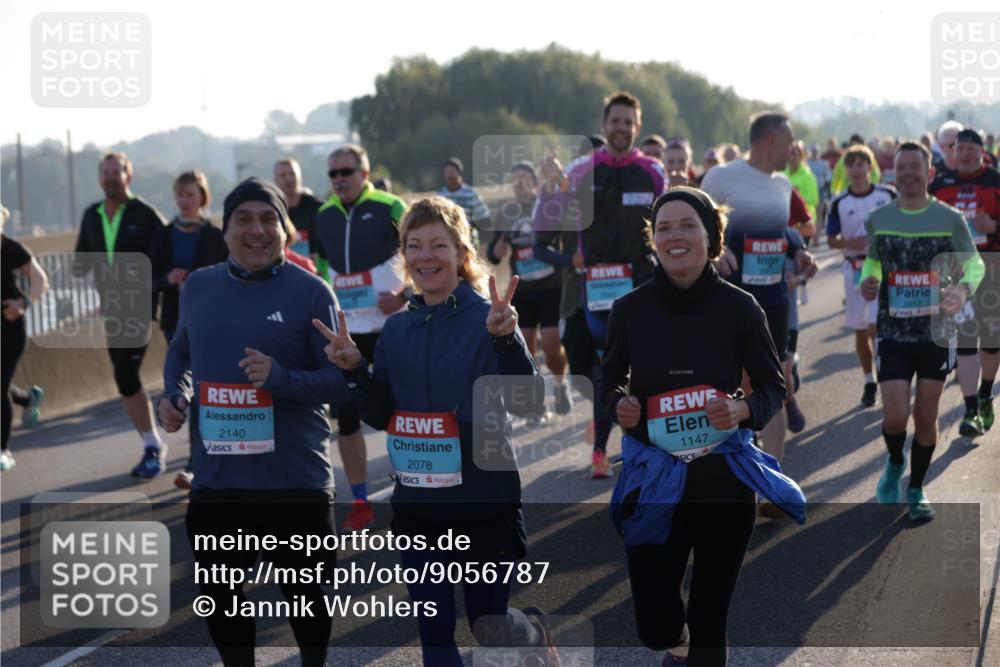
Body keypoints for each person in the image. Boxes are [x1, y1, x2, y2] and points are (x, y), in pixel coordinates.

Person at [315, 196, 556, 667]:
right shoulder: (397, 329)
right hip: (419, 509)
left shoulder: (489, 317)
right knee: (435, 633)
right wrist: (355, 371)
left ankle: (531, 632)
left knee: (489, 626)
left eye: (438, 245)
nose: (426, 256)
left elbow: (528, 400)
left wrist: (507, 342)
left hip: (485, 501)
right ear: (403, 258)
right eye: (414, 246)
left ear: (462, 252)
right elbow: (383, 414)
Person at [603, 187, 805, 666]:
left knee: (710, 620)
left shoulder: (740, 308)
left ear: (711, 237)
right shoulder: (629, 310)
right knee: (656, 627)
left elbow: (773, 387)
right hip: (653, 478)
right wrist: (618, 405)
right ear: (653, 240)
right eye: (664, 227)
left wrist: (741, 411)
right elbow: (608, 377)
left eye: (688, 225)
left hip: (723, 482)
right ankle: (674, 647)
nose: (675, 236)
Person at [158, 177, 349, 667]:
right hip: (219, 482)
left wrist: (280, 378)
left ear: (286, 229)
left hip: (295, 482)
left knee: (308, 608)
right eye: (244, 218)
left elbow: (339, 383)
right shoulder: (198, 287)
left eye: (269, 218)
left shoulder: (312, 292)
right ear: (225, 230)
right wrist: (174, 396)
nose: (256, 229)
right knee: (223, 605)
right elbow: (180, 353)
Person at [534, 91, 666, 478]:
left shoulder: (653, 172)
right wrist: (547, 193)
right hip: (584, 289)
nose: (621, 128)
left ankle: (610, 450)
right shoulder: (579, 171)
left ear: (637, 127)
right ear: (604, 125)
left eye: (629, 122)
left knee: (634, 369)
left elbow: (667, 224)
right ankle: (604, 417)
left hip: (638, 284)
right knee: (584, 369)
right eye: (615, 121)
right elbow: (544, 233)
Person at [860, 142, 984, 521]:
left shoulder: (950, 219)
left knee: (926, 417)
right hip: (894, 332)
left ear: (929, 173)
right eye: (903, 168)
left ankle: (916, 488)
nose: (909, 174)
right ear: (893, 174)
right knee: (896, 417)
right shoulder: (879, 218)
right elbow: (872, 263)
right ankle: (895, 461)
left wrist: (963, 288)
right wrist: (868, 280)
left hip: (936, 333)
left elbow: (975, 266)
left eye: (917, 167)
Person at [701, 112, 817, 470]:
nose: (793, 148)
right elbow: (694, 224)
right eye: (790, 140)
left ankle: (773, 481)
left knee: (773, 384)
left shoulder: (783, 185)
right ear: (770, 140)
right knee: (734, 384)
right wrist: (714, 252)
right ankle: (730, 468)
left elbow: (780, 232)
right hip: (731, 300)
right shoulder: (721, 177)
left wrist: (798, 251)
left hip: (775, 298)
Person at [314, 143, 408, 532]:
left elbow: (421, 256)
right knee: (347, 421)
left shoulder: (391, 207)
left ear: (364, 174)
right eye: (333, 174)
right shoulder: (323, 216)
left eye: (346, 172)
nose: (339, 180)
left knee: (401, 415)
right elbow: (320, 273)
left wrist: (403, 296)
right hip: (347, 334)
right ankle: (359, 500)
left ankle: (412, 484)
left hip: (390, 328)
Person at [73, 152, 169, 478]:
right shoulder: (91, 215)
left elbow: (165, 256)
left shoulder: (145, 215)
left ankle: (153, 446)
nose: (112, 178)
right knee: (123, 380)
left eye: (118, 172)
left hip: (139, 308)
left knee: (127, 376)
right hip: (110, 311)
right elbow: (81, 262)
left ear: (129, 176)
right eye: (106, 173)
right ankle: (150, 443)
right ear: (100, 178)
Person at [151, 169, 228, 490]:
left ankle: (203, 460)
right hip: (176, 322)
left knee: (204, 389)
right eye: (180, 195)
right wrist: (168, 280)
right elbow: (149, 279)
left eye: (191, 195)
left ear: (203, 198)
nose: (185, 201)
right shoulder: (165, 234)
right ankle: (199, 462)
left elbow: (228, 275)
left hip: (211, 321)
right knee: (190, 388)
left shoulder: (214, 236)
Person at [486, 162, 571, 422]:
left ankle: (559, 383)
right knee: (528, 351)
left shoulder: (547, 204)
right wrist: (496, 250)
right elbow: (493, 253)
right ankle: (537, 406)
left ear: (534, 182)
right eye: (515, 178)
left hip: (551, 286)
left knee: (552, 345)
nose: (519, 182)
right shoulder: (505, 212)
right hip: (522, 289)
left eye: (524, 177)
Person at [929, 128, 1000, 436]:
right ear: (952, 152)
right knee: (967, 340)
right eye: (961, 148)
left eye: (973, 148)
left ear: (982, 152)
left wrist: (994, 227)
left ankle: (985, 393)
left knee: (992, 342)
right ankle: (971, 409)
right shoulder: (940, 184)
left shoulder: (995, 180)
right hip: (957, 272)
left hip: (992, 266)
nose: (967, 153)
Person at [826, 144, 897, 407]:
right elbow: (831, 240)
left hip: (882, 267)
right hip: (854, 268)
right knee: (860, 330)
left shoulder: (887, 194)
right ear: (845, 170)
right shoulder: (839, 202)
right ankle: (869, 380)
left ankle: (886, 376)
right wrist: (849, 242)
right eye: (851, 164)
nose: (856, 169)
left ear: (870, 167)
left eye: (861, 164)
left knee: (877, 327)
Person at [2, 206, 49, 470]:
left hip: (10, 327)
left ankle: (3, 450)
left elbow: (41, 281)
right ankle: (27, 399)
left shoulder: (12, 249)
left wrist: (22, 304)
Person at [274, 157, 324, 273]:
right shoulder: (272, 212)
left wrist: (319, 257)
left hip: (317, 270)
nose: (288, 179)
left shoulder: (319, 207)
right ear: (275, 180)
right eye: (283, 175)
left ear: (300, 177)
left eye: (292, 174)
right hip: (285, 271)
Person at [438, 157, 490, 245]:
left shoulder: (471, 194)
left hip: (468, 241)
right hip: (447, 243)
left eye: (451, 172)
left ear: (459, 173)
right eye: (446, 173)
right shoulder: (441, 195)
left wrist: (467, 227)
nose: (448, 176)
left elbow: (484, 218)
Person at [783, 141, 820, 226]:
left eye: (794, 154)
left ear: (801, 156)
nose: (791, 157)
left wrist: (795, 197)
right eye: (789, 154)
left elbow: (813, 199)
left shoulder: (808, 176)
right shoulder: (782, 174)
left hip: (804, 223)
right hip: (788, 222)